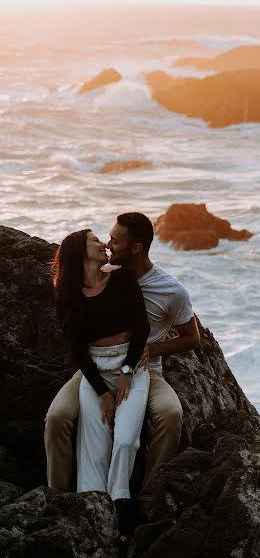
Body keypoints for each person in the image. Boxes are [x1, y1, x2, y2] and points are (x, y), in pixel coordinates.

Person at [45, 212, 200, 517]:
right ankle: (60, 501)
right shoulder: (104, 273)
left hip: (146, 369)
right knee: (57, 418)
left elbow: (192, 338)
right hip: (93, 367)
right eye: (106, 238)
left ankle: (145, 501)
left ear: (136, 248)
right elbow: (76, 337)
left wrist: (152, 349)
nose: (108, 243)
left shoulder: (171, 290)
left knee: (170, 415)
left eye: (115, 241)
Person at [50, 228, 150, 502]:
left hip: (130, 368)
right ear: (80, 251)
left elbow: (142, 327)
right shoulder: (68, 294)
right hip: (94, 371)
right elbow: (77, 350)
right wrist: (103, 394)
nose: (104, 244)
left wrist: (128, 372)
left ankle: (119, 502)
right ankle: (92, 507)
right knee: (93, 449)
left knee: (126, 439)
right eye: (95, 241)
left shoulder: (122, 279)